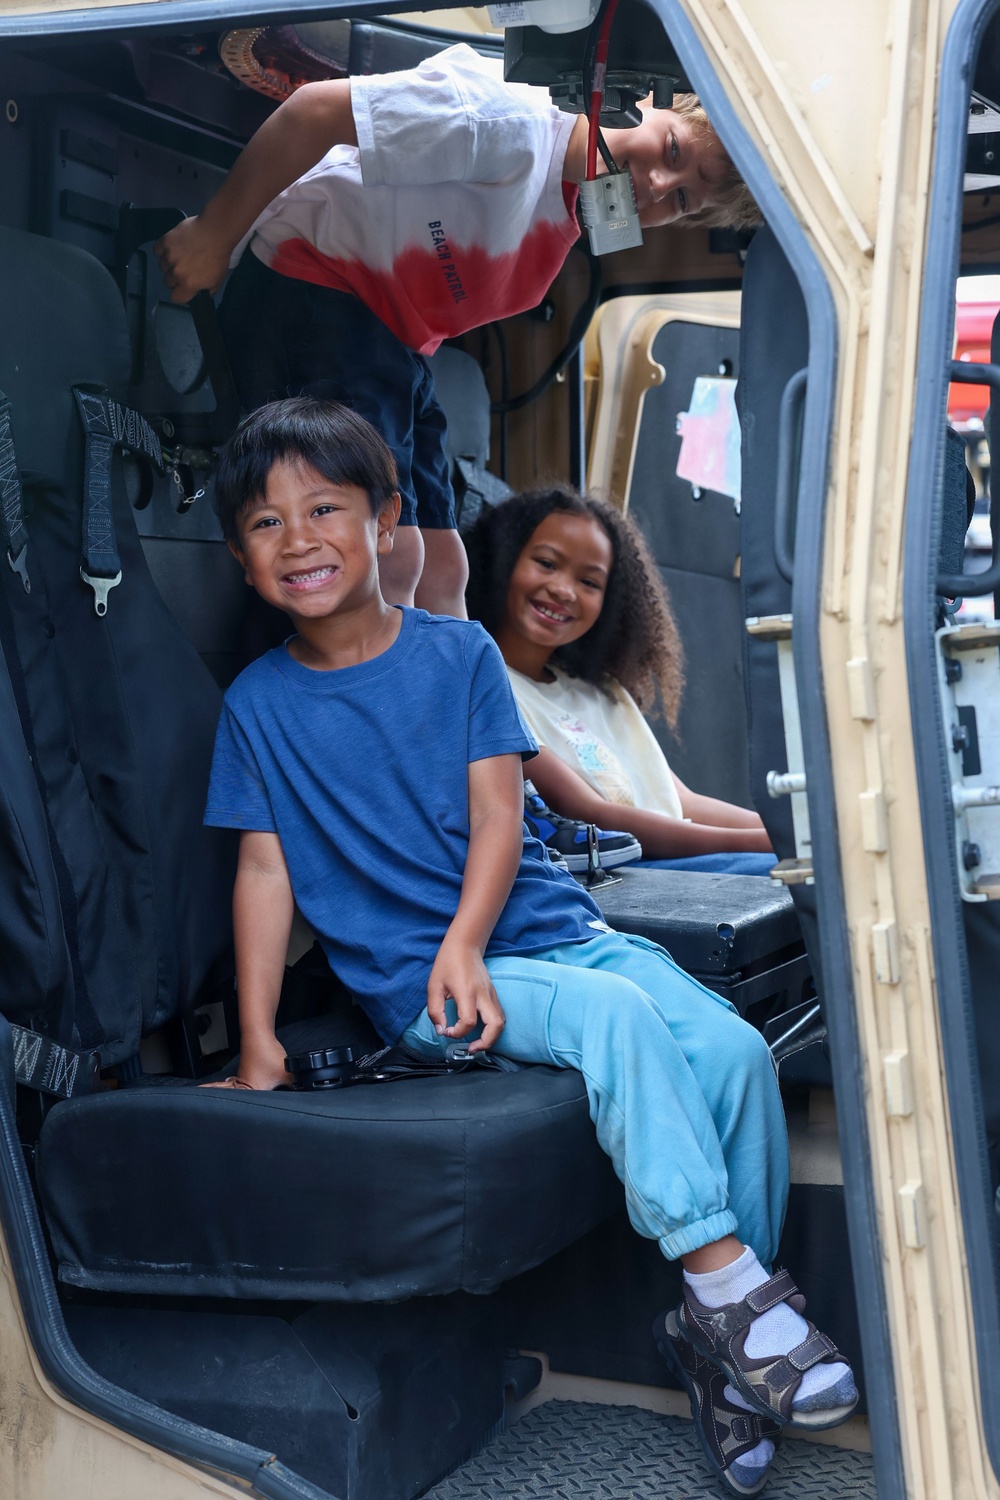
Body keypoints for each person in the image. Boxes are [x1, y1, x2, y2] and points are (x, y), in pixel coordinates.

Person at [202, 396, 855, 1497]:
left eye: (324, 508)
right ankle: (726, 1284)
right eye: (266, 525)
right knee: (616, 1022)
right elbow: (264, 872)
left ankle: (713, 1338)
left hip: (545, 933)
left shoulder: (458, 656)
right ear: (238, 554)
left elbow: (502, 820)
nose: (299, 539)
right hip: (422, 985)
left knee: (734, 1054)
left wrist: (475, 937)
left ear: (388, 523)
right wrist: (261, 1041)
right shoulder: (257, 707)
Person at [154, 42, 758, 617]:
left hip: (394, 344)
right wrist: (213, 235)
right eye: (674, 152)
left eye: (682, 202)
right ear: (640, 94)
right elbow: (313, 111)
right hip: (317, 287)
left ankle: (459, 714)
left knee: (443, 569)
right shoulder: (508, 121)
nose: (658, 187)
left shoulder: (576, 199)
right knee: (387, 561)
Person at [466, 485, 776, 875]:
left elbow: (683, 802)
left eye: (590, 583)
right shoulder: (486, 689)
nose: (564, 590)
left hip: (688, 863)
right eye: (546, 563)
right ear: (501, 560)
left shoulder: (604, 692)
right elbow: (591, 813)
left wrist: (786, 829)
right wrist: (770, 842)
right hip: (629, 874)